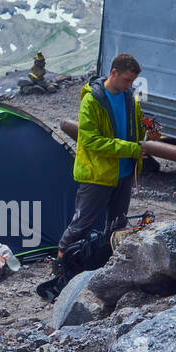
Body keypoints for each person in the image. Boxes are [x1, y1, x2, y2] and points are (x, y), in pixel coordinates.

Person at [56, 53, 145, 272]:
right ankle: (60, 267)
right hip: (97, 174)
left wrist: (148, 134)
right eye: (126, 80)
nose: (129, 85)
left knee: (118, 224)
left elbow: (138, 130)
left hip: (123, 174)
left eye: (132, 82)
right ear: (113, 73)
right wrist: (132, 149)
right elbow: (91, 141)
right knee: (81, 225)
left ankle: (107, 266)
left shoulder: (130, 97)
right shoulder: (92, 99)